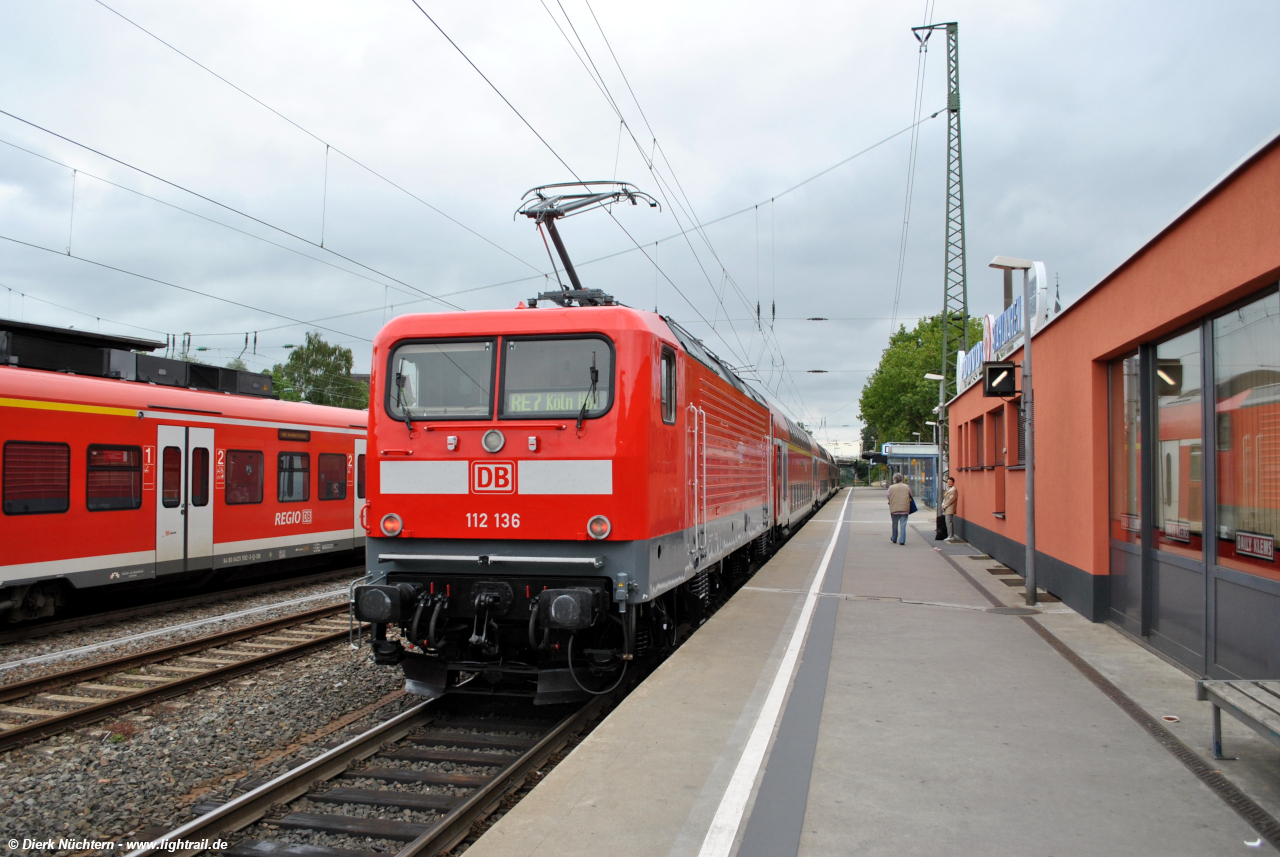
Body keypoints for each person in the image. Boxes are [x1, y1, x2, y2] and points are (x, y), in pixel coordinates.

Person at [887, 472, 912, 545]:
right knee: (903, 524)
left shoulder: (891, 487)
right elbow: (910, 495)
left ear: (895, 479)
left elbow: (888, 496)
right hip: (905, 508)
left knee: (894, 524)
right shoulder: (907, 487)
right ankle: (902, 540)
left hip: (894, 508)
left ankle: (894, 538)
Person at [942, 476, 959, 541]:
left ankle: (951, 536)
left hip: (950, 508)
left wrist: (945, 505)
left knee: (949, 521)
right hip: (947, 507)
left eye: (950, 482)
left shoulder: (953, 490)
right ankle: (950, 535)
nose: (949, 483)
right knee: (948, 521)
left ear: (953, 482)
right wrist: (943, 504)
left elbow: (951, 499)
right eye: (948, 482)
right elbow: (945, 498)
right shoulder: (948, 489)